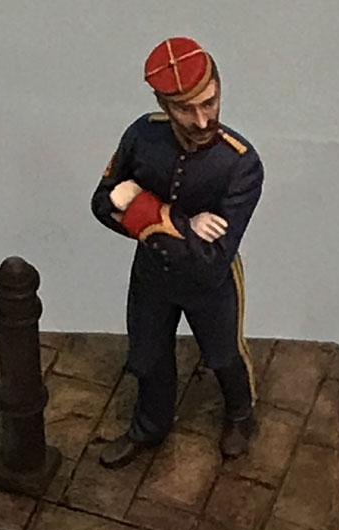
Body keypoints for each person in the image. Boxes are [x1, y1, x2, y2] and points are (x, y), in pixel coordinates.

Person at [91, 36, 264, 468]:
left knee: (223, 354)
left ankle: (240, 415)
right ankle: (149, 428)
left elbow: (211, 259)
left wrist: (140, 208)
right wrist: (186, 225)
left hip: (210, 287)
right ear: (163, 105)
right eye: (186, 109)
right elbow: (102, 203)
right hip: (151, 277)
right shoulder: (142, 135)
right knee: (147, 356)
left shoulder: (241, 163)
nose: (202, 120)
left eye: (210, 102)